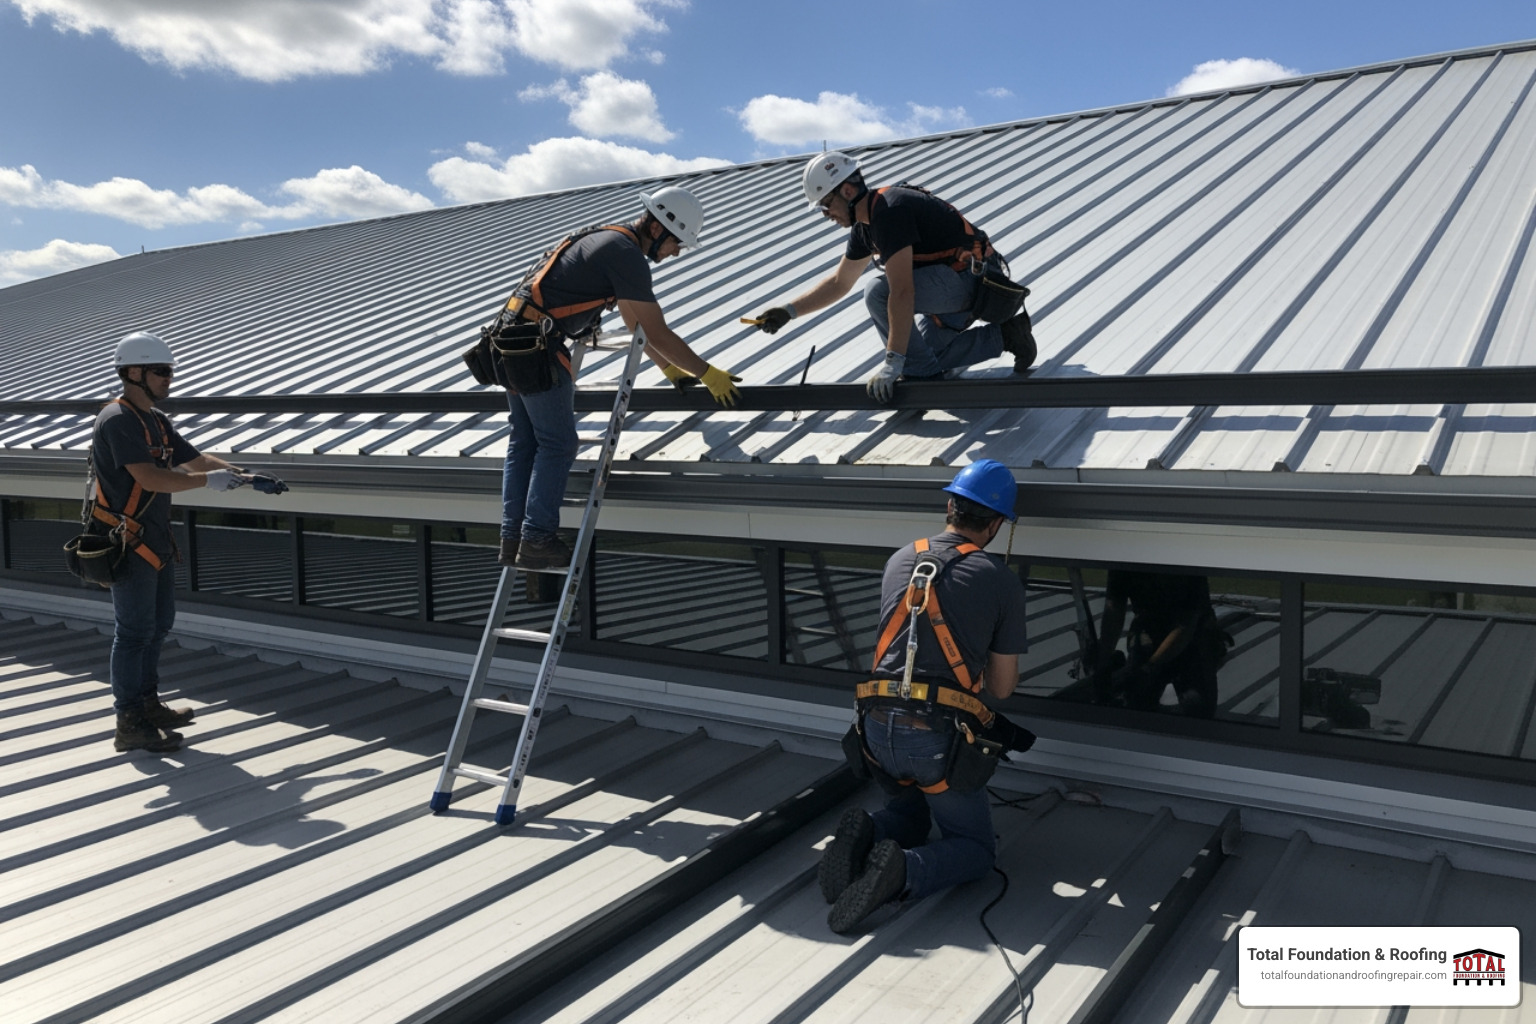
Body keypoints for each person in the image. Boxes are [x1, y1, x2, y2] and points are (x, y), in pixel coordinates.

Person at [821, 459, 1030, 934]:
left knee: (910, 810)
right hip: (935, 743)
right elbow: (1001, 688)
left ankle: (871, 833)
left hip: (873, 733)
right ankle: (904, 873)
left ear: (949, 505)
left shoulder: (899, 559)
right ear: (997, 524)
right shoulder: (999, 580)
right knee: (976, 850)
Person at [493, 187, 741, 571]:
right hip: (539, 348)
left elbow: (633, 322)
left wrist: (668, 368)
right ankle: (537, 539)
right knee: (557, 444)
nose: (675, 253)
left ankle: (514, 540)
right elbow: (656, 331)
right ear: (660, 228)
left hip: (511, 344)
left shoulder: (607, 238)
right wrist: (707, 373)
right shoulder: (626, 254)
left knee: (524, 442)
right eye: (677, 243)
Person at [90, 331, 286, 753]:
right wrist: (209, 482)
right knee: (134, 631)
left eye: (170, 372)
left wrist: (244, 475)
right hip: (130, 542)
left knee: (157, 626)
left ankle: (147, 703)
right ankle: (128, 721)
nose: (169, 379)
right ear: (134, 373)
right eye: (161, 372)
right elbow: (151, 477)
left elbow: (195, 460)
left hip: (155, 541)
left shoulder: (155, 422)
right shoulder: (118, 419)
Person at [749, 152, 1035, 402]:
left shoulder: (889, 211)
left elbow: (901, 293)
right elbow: (840, 283)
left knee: (878, 291)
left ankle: (921, 375)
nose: (826, 215)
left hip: (972, 281)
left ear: (847, 191)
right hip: (951, 288)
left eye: (826, 204)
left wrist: (892, 362)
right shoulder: (865, 227)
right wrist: (788, 312)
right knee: (924, 355)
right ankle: (1008, 335)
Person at [1092, 570, 1228, 718]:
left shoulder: (1186, 564)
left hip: (1195, 634)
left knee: (1197, 708)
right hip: (1149, 629)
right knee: (1137, 702)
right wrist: (1102, 662)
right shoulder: (1123, 562)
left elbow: (1186, 625)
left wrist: (1149, 668)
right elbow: (1114, 610)